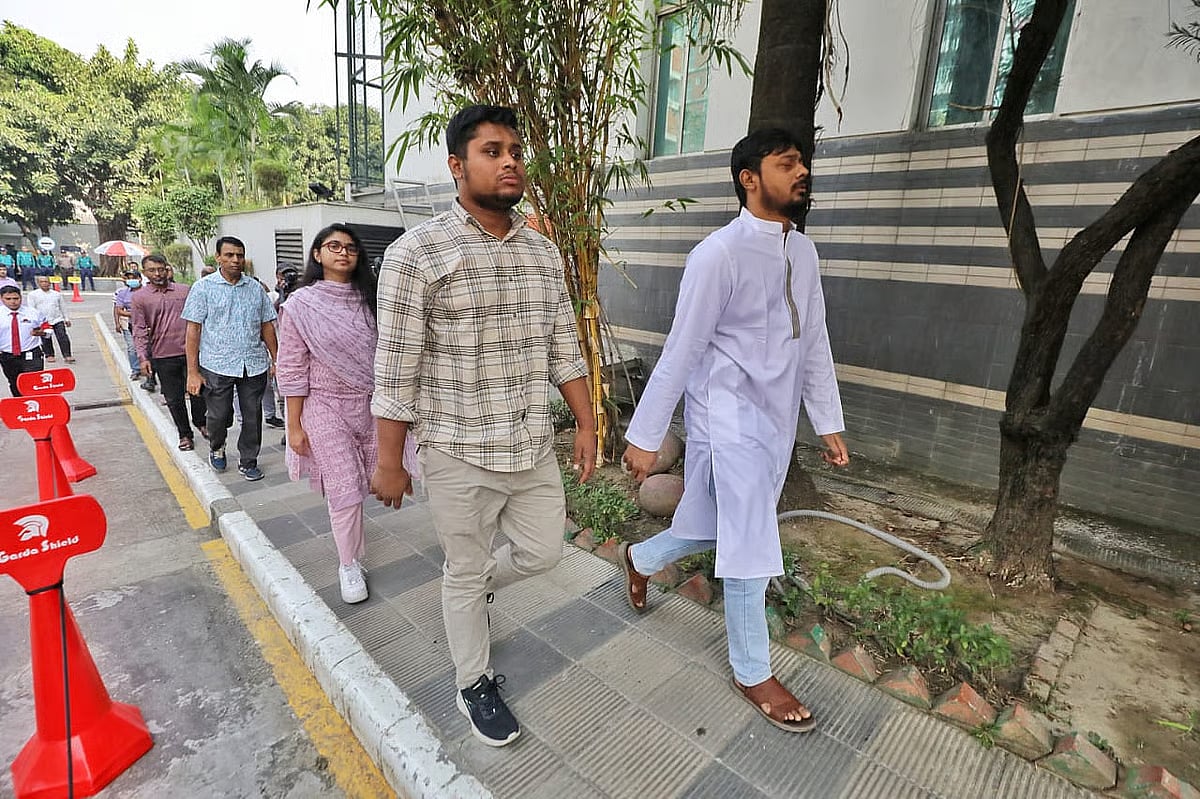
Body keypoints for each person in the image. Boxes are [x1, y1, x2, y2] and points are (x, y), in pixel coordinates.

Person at [371, 105, 595, 748]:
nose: (509, 161)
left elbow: (563, 345)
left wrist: (584, 424)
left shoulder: (544, 253)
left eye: (515, 150)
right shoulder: (418, 253)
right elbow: (397, 364)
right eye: (492, 151)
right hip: (456, 448)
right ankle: (474, 680)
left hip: (529, 440)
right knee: (465, 571)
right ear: (456, 166)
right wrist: (391, 460)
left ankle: (467, 596)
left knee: (544, 551)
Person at [616, 129, 850, 735]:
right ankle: (753, 671)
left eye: (803, 162)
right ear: (749, 177)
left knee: (703, 525)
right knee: (748, 541)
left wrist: (827, 420)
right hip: (727, 420)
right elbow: (682, 348)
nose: (802, 172)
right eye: (786, 163)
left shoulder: (805, 252)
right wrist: (646, 433)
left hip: (775, 423)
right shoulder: (716, 255)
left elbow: (816, 339)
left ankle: (638, 560)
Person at [277, 224, 394, 604]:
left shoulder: (373, 299)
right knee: (344, 488)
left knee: (370, 484)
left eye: (350, 248)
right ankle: (348, 564)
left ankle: (351, 549)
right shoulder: (299, 305)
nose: (343, 253)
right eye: (333, 246)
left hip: (370, 404)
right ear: (317, 254)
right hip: (323, 406)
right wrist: (293, 426)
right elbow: (291, 367)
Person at [183, 236, 278, 481]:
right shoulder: (203, 288)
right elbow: (193, 330)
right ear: (218, 258)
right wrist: (193, 372)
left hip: (253, 364)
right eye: (229, 255)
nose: (236, 260)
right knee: (217, 416)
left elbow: (267, 325)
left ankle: (249, 460)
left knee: (252, 415)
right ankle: (217, 445)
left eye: (239, 255)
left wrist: (276, 359)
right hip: (216, 364)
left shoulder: (256, 288)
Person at [132, 254, 208, 451]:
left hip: (192, 353)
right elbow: (139, 329)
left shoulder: (185, 291)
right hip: (163, 356)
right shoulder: (140, 298)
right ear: (145, 273)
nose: (158, 273)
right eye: (152, 270)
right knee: (174, 399)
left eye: (161, 269)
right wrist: (143, 357)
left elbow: (200, 320)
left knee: (199, 392)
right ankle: (185, 434)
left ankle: (201, 423)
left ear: (167, 269)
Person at [1, 285, 48, 396]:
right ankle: (21, 406)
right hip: (7, 356)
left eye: (16, 298)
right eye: (8, 299)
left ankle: (37, 406)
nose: (13, 302)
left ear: (21, 298)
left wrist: (42, 333)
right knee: (14, 383)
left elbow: (48, 328)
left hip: (31, 353)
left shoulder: (33, 313)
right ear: (1, 299)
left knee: (33, 382)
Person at [27, 275, 73, 363]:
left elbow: (62, 307)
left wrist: (66, 318)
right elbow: (31, 309)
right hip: (43, 321)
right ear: (38, 283)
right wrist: (34, 322)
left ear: (50, 283)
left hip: (57, 319)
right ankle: (49, 355)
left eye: (46, 281)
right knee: (45, 339)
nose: (44, 284)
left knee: (63, 337)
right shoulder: (33, 295)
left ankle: (67, 355)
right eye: (42, 282)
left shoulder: (56, 294)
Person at [113, 267, 145, 381]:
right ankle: (135, 370)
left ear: (140, 279)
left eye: (133, 278)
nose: (131, 280)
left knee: (147, 348)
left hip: (146, 324)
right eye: (129, 278)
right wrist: (132, 314)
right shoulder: (122, 293)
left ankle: (148, 370)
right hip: (129, 324)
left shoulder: (147, 291)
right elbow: (119, 309)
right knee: (132, 348)